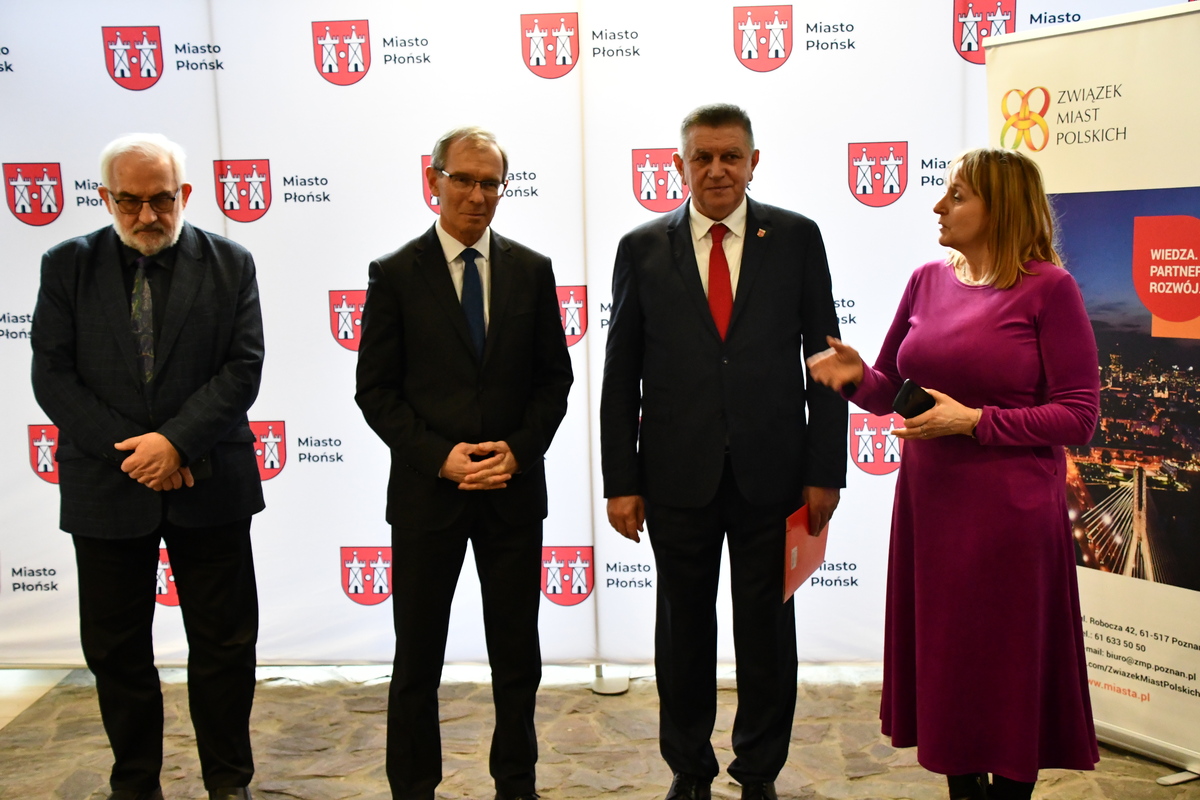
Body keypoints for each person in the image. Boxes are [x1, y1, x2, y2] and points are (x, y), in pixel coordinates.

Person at [806, 147, 1100, 800]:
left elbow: (1079, 416)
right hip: (931, 512)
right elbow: (893, 389)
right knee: (951, 672)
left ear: (1002, 208)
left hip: (1011, 520)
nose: (939, 205)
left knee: (1007, 673)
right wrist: (856, 378)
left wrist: (974, 421)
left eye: (958, 195)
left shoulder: (1051, 289)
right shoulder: (924, 280)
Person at [600, 104, 847, 800]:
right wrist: (621, 479)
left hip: (775, 476)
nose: (717, 170)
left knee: (768, 635)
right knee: (682, 634)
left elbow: (827, 359)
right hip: (676, 478)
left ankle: (758, 772)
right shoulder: (641, 248)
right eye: (702, 157)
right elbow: (620, 375)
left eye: (730, 156)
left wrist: (826, 470)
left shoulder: (796, 238)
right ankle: (689, 770)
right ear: (679, 165)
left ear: (753, 161)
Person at [30, 133, 265, 800]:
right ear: (105, 197)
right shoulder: (66, 265)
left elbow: (242, 368)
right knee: (116, 651)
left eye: (161, 199)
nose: (146, 215)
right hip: (106, 487)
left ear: (184, 194)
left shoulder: (230, 263)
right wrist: (140, 454)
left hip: (210, 481)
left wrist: (177, 444)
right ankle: (135, 785)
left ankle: (229, 784)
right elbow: (53, 376)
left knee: (225, 646)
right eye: (128, 201)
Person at [355, 126, 573, 800]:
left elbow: (554, 381)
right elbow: (375, 392)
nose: (477, 196)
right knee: (416, 661)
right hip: (428, 498)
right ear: (434, 181)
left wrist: (519, 449)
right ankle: (412, 787)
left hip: (512, 491)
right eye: (464, 180)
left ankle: (517, 784)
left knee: (517, 658)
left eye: (490, 183)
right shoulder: (395, 273)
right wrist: (439, 458)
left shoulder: (532, 270)